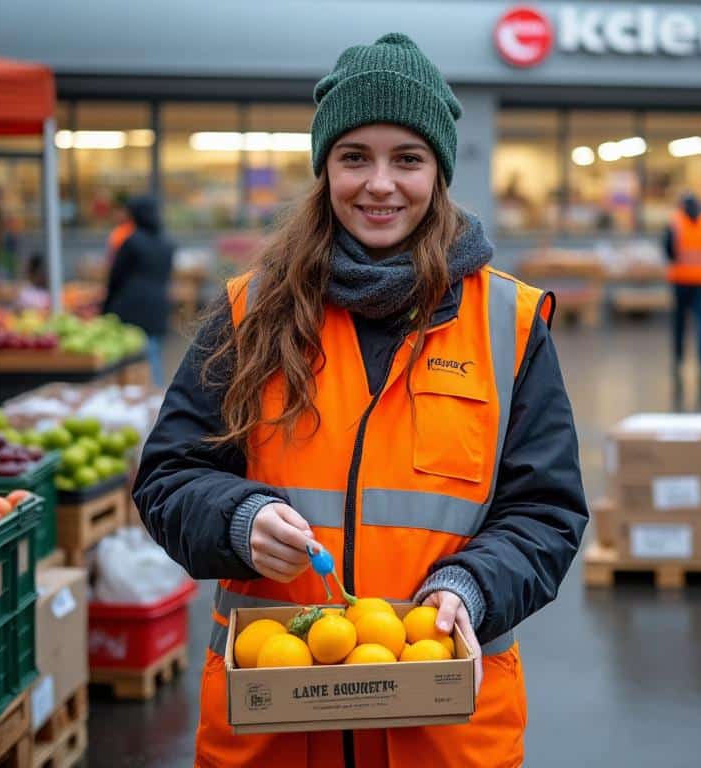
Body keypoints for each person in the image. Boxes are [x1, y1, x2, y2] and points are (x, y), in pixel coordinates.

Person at [132, 33, 587, 768]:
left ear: (437, 172)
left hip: (443, 733)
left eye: (406, 158)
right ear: (325, 170)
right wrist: (236, 519)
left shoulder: (509, 324)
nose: (380, 184)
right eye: (355, 158)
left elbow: (548, 511)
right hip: (274, 731)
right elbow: (169, 476)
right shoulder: (250, 314)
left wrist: (471, 586)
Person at [102, 196, 174, 387]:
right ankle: (155, 397)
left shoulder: (131, 242)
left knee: (128, 359)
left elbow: (115, 277)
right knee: (153, 355)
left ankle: (131, 401)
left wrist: (106, 306)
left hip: (131, 305)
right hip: (158, 304)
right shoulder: (166, 244)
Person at [663, 193, 701, 381]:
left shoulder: (676, 222)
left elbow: (668, 249)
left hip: (680, 279)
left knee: (680, 322)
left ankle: (679, 359)